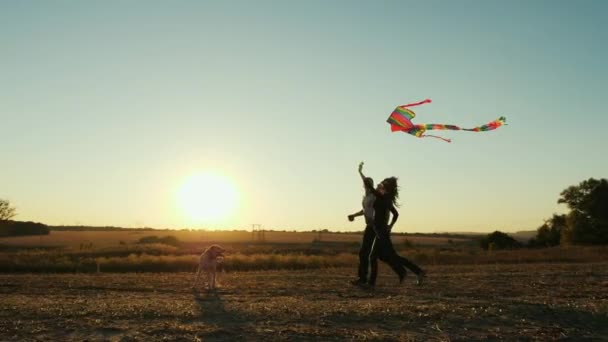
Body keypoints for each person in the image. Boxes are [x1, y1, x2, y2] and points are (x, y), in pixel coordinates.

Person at [365, 176, 426, 288]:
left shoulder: (383, 197)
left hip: (381, 232)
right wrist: (390, 226)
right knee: (379, 256)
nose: (380, 184)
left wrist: (361, 173)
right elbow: (396, 214)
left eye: (382, 184)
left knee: (388, 256)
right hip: (381, 231)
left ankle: (418, 271)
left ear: (386, 187)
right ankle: (414, 272)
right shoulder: (386, 198)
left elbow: (369, 186)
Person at [347, 162, 376, 286]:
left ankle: (365, 279)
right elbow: (364, 211)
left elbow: (378, 211)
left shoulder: (375, 196)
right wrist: (354, 215)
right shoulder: (366, 197)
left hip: (375, 227)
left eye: (366, 183)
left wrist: (360, 172)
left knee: (369, 253)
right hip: (369, 227)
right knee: (365, 253)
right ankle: (364, 279)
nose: (364, 185)